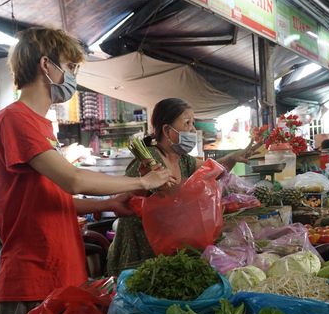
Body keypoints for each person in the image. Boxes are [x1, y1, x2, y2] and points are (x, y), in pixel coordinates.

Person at [0, 28, 178, 314]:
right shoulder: (15, 119)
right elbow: (73, 179)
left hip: (61, 270)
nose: (74, 76)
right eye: (71, 67)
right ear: (46, 65)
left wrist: (108, 203)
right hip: (33, 277)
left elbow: (48, 197)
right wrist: (142, 182)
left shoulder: (42, 125)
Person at [107, 98, 260, 276]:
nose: (193, 130)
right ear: (166, 130)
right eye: (187, 123)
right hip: (139, 250)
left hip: (169, 250)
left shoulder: (184, 160)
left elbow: (212, 171)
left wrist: (233, 157)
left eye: (193, 124)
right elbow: (127, 201)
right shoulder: (147, 159)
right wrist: (145, 180)